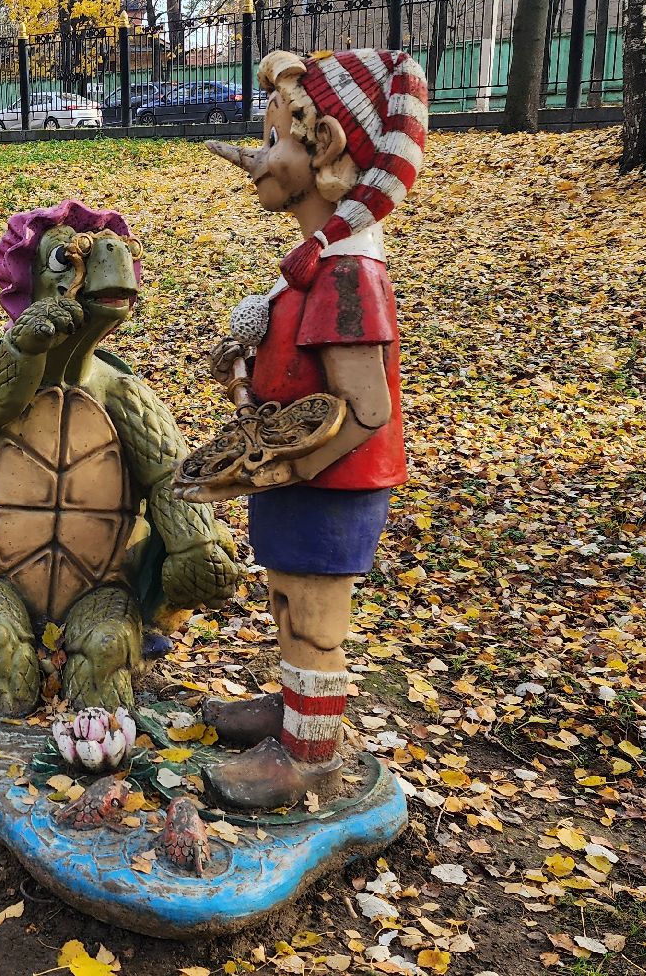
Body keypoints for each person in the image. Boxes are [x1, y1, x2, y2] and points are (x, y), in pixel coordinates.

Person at [176, 48, 428, 810]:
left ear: (323, 150)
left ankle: (310, 755)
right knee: (287, 600)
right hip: (296, 476)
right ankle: (290, 713)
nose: (256, 157)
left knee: (315, 615)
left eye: (275, 138)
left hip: (329, 484)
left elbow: (366, 408)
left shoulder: (349, 276)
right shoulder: (315, 268)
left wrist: (283, 463)